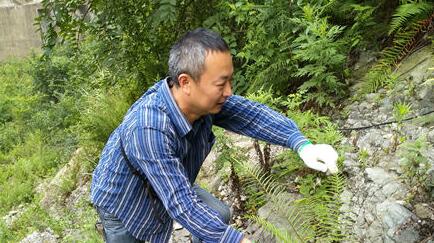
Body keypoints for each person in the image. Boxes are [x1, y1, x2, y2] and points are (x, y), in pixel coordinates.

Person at [90, 28, 338, 243]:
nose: (229, 92)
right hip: (122, 198)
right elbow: (181, 204)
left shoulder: (203, 103)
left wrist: (302, 145)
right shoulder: (148, 127)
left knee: (218, 215)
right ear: (186, 82)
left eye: (230, 81)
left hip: (168, 178)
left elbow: (252, 115)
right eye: (221, 84)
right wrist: (236, 239)